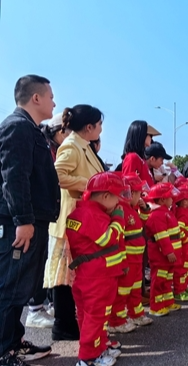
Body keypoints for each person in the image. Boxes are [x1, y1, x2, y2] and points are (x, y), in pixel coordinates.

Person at [0, 75, 60, 366]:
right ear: (35, 98)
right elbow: (14, 178)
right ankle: (3, 354)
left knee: (24, 285)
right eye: (50, 96)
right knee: (10, 287)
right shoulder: (17, 127)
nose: (54, 102)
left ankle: (13, 341)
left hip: (33, 221)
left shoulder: (31, 130)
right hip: (19, 223)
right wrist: (22, 220)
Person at [47, 105, 105, 343]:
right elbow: (57, 175)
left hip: (82, 219)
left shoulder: (83, 145)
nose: (101, 129)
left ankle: (72, 323)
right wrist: (87, 184)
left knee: (76, 273)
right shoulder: (72, 146)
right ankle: (63, 325)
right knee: (65, 275)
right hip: (70, 219)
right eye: (99, 124)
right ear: (89, 127)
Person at [66, 172, 128, 366]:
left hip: (89, 275)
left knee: (89, 316)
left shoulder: (81, 213)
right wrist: (118, 220)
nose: (119, 202)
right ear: (105, 196)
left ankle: (98, 347)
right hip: (98, 277)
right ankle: (89, 357)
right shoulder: (92, 214)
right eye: (117, 196)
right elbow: (107, 239)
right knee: (96, 316)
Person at [26, 113, 70, 330]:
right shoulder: (47, 148)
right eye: (68, 132)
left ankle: (48, 304)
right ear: (60, 132)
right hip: (41, 214)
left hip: (50, 213)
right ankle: (35, 309)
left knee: (50, 261)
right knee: (43, 262)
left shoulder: (55, 148)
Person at [107, 174, 153, 334]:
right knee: (122, 291)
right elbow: (118, 238)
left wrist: (145, 208)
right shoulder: (120, 210)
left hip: (137, 260)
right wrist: (123, 262)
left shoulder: (132, 209)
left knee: (134, 290)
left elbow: (143, 223)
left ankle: (136, 314)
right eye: (139, 193)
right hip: (127, 260)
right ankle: (117, 321)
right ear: (131, 194)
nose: (141, 197)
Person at [145, 183, 182, 317]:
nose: (172, 199)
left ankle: (167, 302)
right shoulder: (157, 215)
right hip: (161, 256)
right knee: (159, 281)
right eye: (170, 197)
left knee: (166, 280)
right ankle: (156, 306)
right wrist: (169, 252)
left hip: (169, 256)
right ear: (162, 199)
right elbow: (161, 236)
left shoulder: (165, 212)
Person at [173, 188, 188, 302]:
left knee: (187, 268)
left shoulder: (187, 211)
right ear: (184, 202)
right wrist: (185, 239)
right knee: (182, 269)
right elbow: (179, 228)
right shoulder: (182, 213)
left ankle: (185, 286)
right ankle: (179, 291)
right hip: (185, 246)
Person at [119, 120, 161, 186]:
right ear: (142, 135)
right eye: (150, 135)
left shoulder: (140, 159)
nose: (151, 139)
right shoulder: (132, 158)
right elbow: (128, 186)